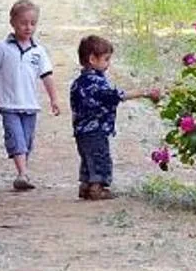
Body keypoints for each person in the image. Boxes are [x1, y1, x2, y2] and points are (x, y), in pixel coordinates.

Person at [0, 0, 56, 192]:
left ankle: (23, 170)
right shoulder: (2, 48)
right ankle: (22, 174)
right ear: (13, 23)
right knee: (16, 139)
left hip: (30, 105)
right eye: (23, 23)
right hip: (9, 104)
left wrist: (53, 99)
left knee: (26, 140)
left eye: (33, 23)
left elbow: (47, 76)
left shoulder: (39, 52)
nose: (28, 27)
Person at [68, 35, 162, 201]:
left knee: (87, 157)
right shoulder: (97, 83)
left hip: (80, 130)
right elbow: (117, 96)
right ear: (92, 59)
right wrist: (144, 93)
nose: (108, 63)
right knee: (100, 157)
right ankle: (98, 188)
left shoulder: (77, 83)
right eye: (106, 59)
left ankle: (85, 185)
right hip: (96, 129)